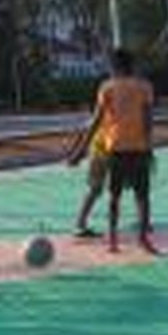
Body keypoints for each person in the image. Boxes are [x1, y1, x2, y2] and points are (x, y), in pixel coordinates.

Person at [71, 49, 157, 254]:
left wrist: (80, 151)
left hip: (114, 147)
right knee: (142, 196)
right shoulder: (144, 87)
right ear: (133, 66)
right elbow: (148, 120)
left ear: (113, 67)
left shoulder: (106, 88)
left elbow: (96, 121)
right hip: (138, 148)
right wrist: (149, 146)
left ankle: (113, 240)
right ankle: (143, 239)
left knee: (114, 196)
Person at [68, 102, 110, 239]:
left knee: (100, 189)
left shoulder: (110, 119)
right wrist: (76, 153)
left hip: (110, 155)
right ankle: (80, 223)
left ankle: (81, 222)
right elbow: (82, 135)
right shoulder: (95, 121)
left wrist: (75, 152)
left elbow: (81, 135)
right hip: (99, 156)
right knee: (95, 189)